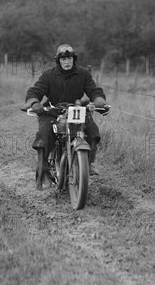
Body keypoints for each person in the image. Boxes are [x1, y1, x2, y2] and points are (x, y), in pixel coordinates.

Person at [20, 44, 109, 186]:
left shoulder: (83, 74)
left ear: (74, 59)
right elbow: (35, 91)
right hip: (52, 112)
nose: (67, 62)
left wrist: (98, 102)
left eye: (69, 58)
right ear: (58, 61)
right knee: (44, 135)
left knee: (92, 131)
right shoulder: (48, 75)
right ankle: (43, 170)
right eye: (63, 59)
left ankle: (88, 162)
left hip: (77, 110)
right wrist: (35, 103)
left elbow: (95, 91)